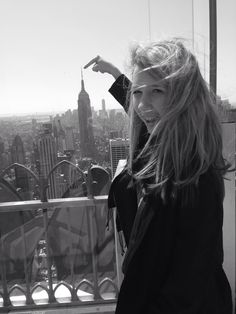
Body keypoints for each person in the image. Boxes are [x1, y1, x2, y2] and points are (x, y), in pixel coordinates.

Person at [84, 38, 233, 314]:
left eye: (158, 90)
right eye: (138, 92)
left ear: (183, 97)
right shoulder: (161, 148)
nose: (142, 104)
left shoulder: (195, 179)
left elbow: (185, 292)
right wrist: (115, 74)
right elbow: (142, 114)